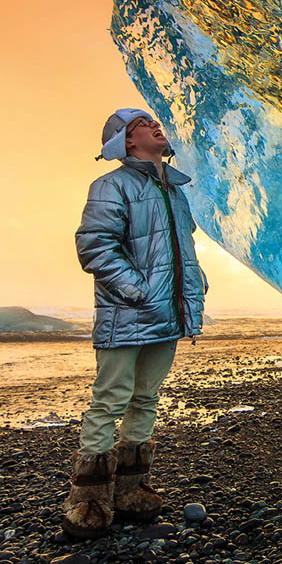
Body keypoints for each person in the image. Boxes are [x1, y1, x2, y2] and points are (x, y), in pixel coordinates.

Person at [61, 107, 207, 539]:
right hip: (127, 314)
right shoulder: (110, 185)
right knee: (109, 400)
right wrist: (139, 290)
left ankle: (130, 489)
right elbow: (94, 247)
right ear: (126, 141)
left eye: (152, 121)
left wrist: (194, 284)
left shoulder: (174, 192)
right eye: (143, 124)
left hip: (168, 314)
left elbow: (184, 250)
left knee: (146, 398)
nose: (154, 125)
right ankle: (88, 499)